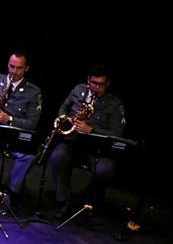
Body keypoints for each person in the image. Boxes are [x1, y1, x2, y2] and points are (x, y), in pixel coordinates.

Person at [49, 65, 126, 217]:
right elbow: (63, 109)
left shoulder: (115, 104)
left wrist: (91, 130)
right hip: (73, 142)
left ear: (108, 84)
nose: (96, 87)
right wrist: (67, 121)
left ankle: (92, 202)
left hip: (97, 150)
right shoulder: (78, 90)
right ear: (88, 80)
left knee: (105, 170)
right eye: (93, 83)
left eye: (101, 84)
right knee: (57, 157)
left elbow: (117, 134)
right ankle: (64, 200)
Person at [0, 52, 42, 204]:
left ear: (26, 69)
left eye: (19, 68)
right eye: (11, 66)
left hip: (14, 136)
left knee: (29, 156)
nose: (14, 72)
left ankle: (11, 191)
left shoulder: (33, 92)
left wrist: (9, 119)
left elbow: (32, 123)